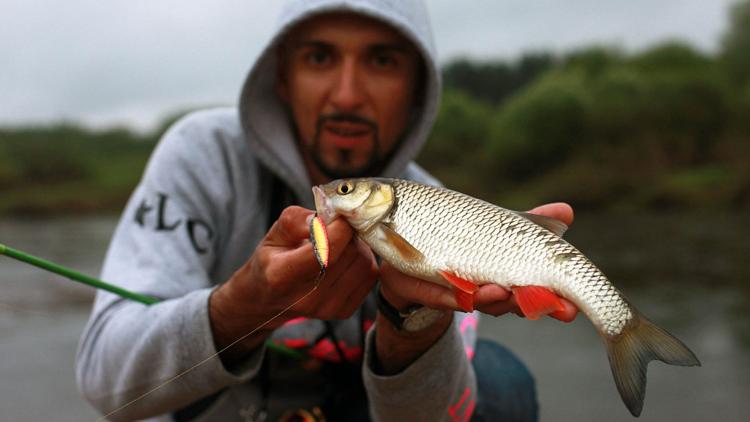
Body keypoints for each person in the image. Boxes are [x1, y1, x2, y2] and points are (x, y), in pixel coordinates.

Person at [76, 1, 577, 421]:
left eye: (382, 61)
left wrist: (412, 325)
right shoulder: (201, 155)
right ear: (282, 78)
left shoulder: (437, 207)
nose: (347, 95)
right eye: (319, 57)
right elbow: (104, 380)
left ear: (417, 89)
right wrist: (241, 308)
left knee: (501, 381)